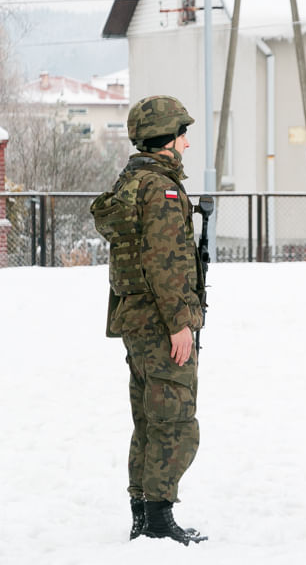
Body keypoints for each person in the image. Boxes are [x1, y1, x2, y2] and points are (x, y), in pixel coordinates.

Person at [90, 95, 206, 545]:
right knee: (175, 420)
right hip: (161, 322)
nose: (187, 145)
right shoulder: (161, 189)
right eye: (182, 135)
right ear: (166, 140)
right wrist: (181, 324)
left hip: (136, 319)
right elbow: (165, 262)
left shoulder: (131, 182)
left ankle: (144, 512)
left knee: (149, 417)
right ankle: (157, 519)